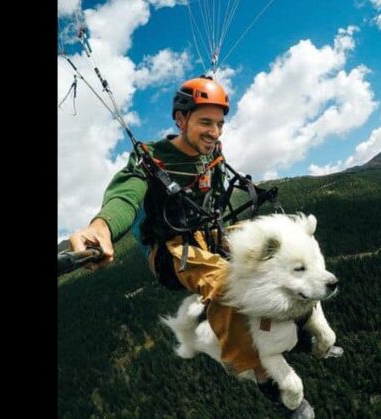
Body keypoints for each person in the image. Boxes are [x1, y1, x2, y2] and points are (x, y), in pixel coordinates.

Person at [69, 75, 306, 385]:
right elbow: (125, 196)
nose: (215, 131)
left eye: (220, 124)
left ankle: (305, 323)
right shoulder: (149, 158)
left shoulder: (213, 155)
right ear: (181, 120)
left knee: (278, 239)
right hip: (171, 251)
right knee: (225, 281)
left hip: (209, 233)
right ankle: (261, 373)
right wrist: (102, 227)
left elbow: (217, 199)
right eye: (206, 122)